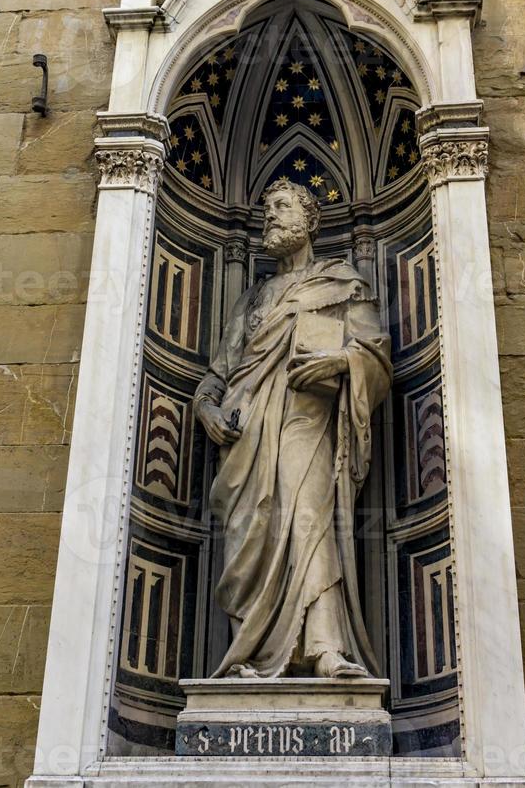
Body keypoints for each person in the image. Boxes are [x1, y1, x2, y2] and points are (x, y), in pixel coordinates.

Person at [193, 178, 392, 678]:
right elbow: (216, 377)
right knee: (250, 528)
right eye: (266, 209)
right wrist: (207, 411)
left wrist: (339, 362)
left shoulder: (342, 283)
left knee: (308, 515)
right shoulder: (252, 300)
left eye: (282, 207)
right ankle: (251, 652)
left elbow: (377, 357)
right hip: (247, 429)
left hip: (308, 418)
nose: (271, 216)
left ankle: (326, 648)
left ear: (309, 219)